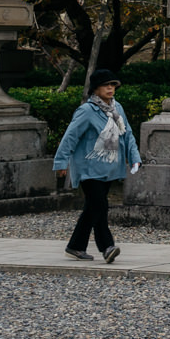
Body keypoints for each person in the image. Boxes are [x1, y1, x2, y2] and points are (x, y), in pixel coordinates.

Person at [53, 69, 141, 263]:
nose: (110, 88)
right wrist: (61, 162)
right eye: (105, 85)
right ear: (95, 89)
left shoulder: (118, 109)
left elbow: (127, 134)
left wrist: (134, 157)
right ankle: (107, 246)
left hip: (110, 166)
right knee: (100, 206)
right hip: (88, 167)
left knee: (92, 207)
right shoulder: (86, 111)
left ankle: (75, 246)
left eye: (113, 85)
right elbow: (70, 137)